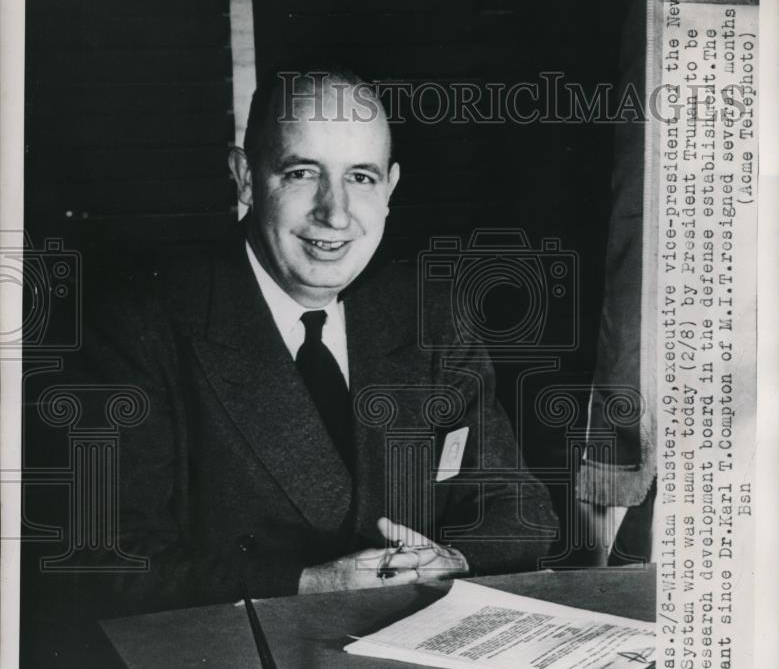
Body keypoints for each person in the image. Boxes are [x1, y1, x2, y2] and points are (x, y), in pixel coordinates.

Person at [79, 68, 557, 612]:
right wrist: (306, 583)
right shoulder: (140, 325)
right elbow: (110, 561)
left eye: (361, 178)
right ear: (244, 177)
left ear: (390, 189)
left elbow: (519, 509)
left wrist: (449, 558)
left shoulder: (431, 314)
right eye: (303, 172)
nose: (335, 213)